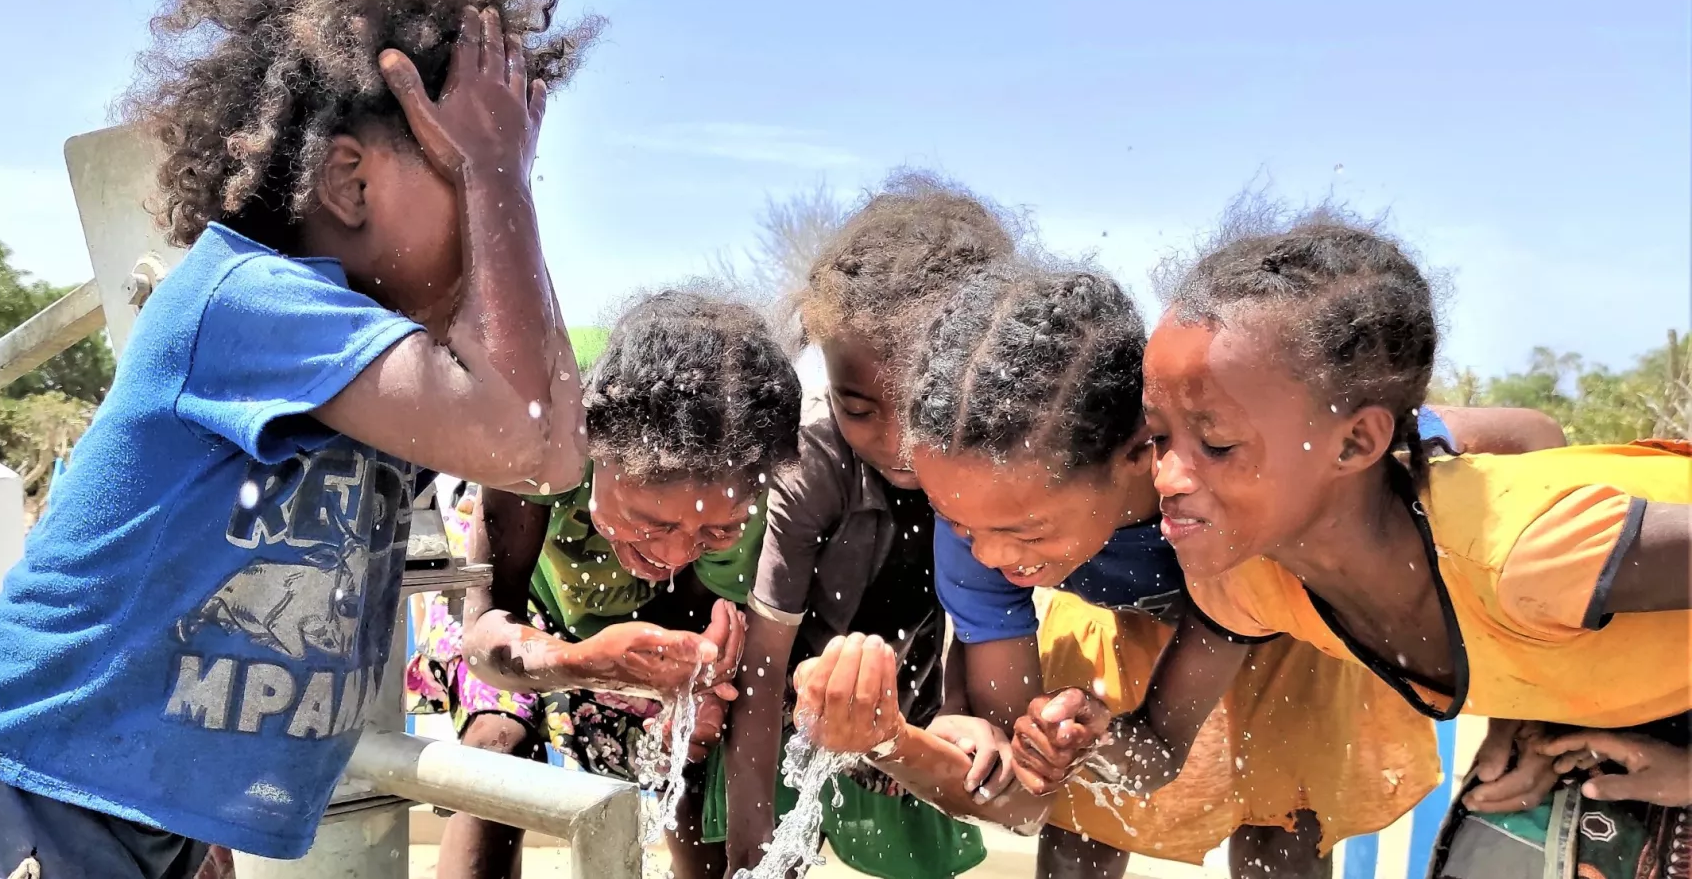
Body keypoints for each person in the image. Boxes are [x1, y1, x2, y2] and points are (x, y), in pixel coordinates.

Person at [0, 0, 597, 879]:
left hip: (154, 830)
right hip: (6, 822)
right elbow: (529, 439)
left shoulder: (380, 367)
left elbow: (547, 442)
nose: (498, 224)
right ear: (349, 181)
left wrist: (496, 175)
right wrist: (499, 168)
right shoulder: (248, 304)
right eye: (461, 176)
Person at [1051, 201, 1689, 840]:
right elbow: (1160, 746)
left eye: (1216, 444)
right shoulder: (1248, 582)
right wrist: (1074, 747)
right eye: (1160, 439)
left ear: (1356, 444)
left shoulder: (1526, 557)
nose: (1168, 477)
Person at [792, 261, 1453, 873]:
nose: (988, 556)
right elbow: (1026, 798)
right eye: (959, 522)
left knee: (1282, 836)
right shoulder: (983, 536)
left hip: (1277, 626)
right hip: (1126, 620)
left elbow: (1495, 439)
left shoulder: (1229, 492)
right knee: (1080, 836)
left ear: (1140, 452)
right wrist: (910, 740)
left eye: (1023, 529)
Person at [412, 288, 800, 879]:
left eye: (710, 535)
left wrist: (697, 687)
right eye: (649, 522)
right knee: (499, 747)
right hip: (522, 613)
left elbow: (713, 657)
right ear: (597, 450)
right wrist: (577, 662)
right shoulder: (541, 430)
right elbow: (485, 632)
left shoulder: (740, 500)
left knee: (686, 766)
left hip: (627, 632)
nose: (672, 555)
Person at [717, 174, 1018, 879]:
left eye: (922, 404)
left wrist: (944, 730)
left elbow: (981, 633)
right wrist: (749, 847)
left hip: (910, 719)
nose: (898, 441)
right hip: (792, 714)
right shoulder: (814, 461)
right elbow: (763, 673)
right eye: (861, 408)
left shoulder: (998, 470)